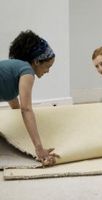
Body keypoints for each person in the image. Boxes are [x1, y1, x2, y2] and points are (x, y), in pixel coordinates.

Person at [0, 30, 59, 166]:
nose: (48, 71)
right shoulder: (27, 71)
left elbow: (15, 105)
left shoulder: (13, 70)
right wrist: (40, 149)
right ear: (37, 61)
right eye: (48, 66)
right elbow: (26, 109)